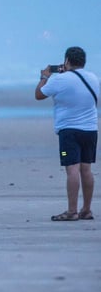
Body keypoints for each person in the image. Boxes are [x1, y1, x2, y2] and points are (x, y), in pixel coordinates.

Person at [36, 46, 99, 221]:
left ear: (67, 61)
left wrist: (45, 76)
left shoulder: (59, 80)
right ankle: (86, 209)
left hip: (69, 131)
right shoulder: (94, 78)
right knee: (86, 169)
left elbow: (39, 94)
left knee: (72, 169)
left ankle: (72, 211)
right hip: (90, 130)